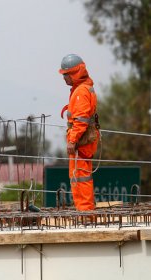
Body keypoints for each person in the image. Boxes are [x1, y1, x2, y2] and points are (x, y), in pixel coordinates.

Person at [59, 54, 100, 211]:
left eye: (66, 74)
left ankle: (85, 213)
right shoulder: (82, 89)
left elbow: (81, 120)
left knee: (81, 178)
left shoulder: (81, 92)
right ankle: (84, 211)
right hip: (83, 142)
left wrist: (72, 140)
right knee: (80, 177)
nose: (64, 78)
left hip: (80, 143)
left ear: (75, 73)